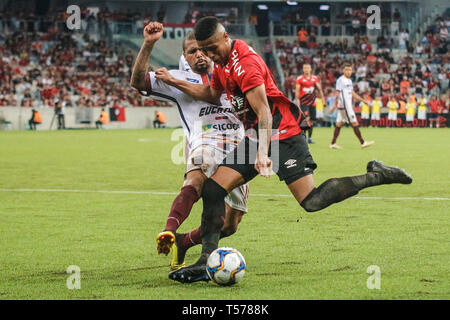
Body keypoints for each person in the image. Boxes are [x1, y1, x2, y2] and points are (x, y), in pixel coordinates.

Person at [154, 17, 412, 283]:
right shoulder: (222, 62)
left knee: (311, 201)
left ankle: (377, 175)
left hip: (283, 133)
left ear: (225, 37)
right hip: (256, 136)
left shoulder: (245, 64)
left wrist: (264, 155)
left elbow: (264, 111)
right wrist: (174, 82)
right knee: (213, 189)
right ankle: (205, 262)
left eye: (212, 48)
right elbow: (210, 93)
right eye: (203, 49)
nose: (209, 55)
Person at [130, 22, 249, 271]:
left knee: (230, 225)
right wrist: (149, 44)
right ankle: (169, 231)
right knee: (194, 181)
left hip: (239, 148)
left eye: (203, 49)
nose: (200, 54)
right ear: (184, 56)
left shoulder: (231, 73)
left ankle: (184, 241)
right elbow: (138, 81)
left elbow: (217, 93)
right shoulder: (177, 77)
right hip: (205, 142)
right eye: (193, 51)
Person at [329, 63, 374, 149]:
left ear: (352, 71)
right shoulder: (340, 80)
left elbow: (353, 93)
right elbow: (337, 93)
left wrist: (363, 100)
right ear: (343, 70)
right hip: (345, 106)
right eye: (346, 69)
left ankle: (333, 143)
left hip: (346, 106)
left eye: (350, 70)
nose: (348, 71)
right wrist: (334, 106)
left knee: (339, 123)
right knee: (354, 122)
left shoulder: (349, 81)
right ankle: (362, 142)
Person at [295, 63, 325, 144]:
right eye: (305, 68)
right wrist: (297, 102)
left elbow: (320, 89)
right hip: (304, 102)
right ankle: (303, 138)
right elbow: (297, 91)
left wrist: (323, 100)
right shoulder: (300, 79)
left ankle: (309, 138)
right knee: (306, 119)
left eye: (308, 68)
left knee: (312, 121)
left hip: (312, 103)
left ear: (311, 69)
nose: (306, 69)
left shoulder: (314, 79)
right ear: (303, 69)